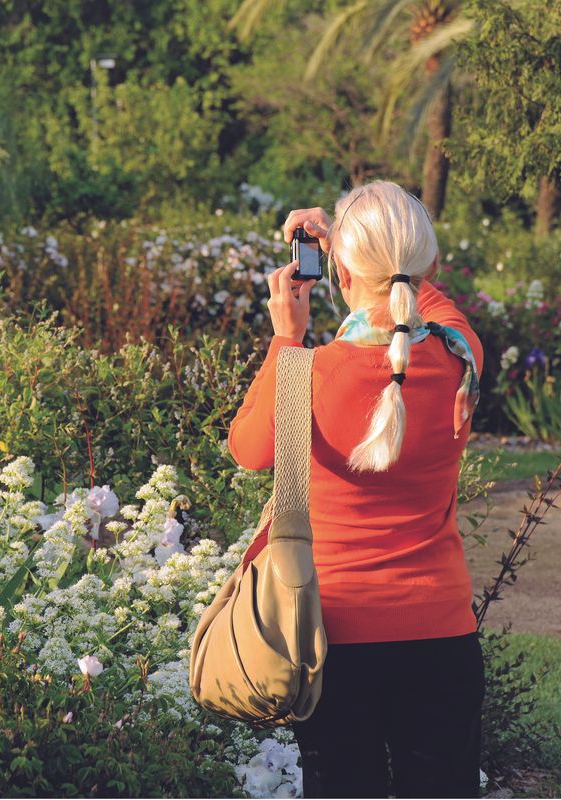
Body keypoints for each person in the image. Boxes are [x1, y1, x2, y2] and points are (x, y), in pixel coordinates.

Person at [227, 180, 486, 799]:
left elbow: (247, 449)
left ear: (339, 269)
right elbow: (431, 300)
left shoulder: (309, 375)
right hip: (443, 637)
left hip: (335, 644)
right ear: (422, 264)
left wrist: (286, 334)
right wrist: (358, 244)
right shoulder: (462, 358)